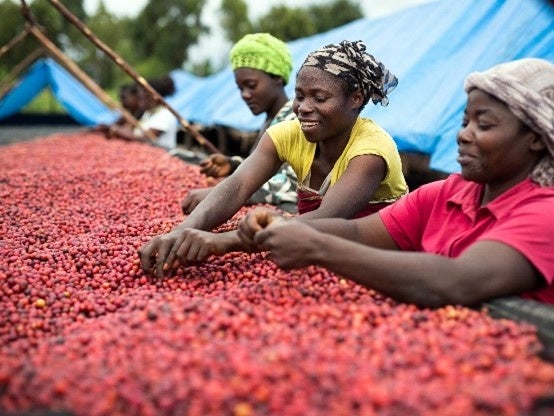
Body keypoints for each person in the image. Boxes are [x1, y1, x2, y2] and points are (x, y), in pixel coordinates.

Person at [235, 58, 554, 307]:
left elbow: (457, 281)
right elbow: (358, 231)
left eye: (483, 125)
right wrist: (281, 226)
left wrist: (318, 248)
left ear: (537, 139)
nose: (463, 135)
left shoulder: (544, 214)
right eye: (465, 121)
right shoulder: (447, 193)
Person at [138, 40, 408, 277]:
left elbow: (324, 219)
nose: (303, 108)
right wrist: (181, 231)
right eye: (300, 96)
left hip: (380, 263)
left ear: (356, 98)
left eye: (320, 98)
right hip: (313, 255)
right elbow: (237, 186)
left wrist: (223, 242)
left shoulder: (371, 150)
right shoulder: (288, 134)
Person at [181, 33, 298, 213]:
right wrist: (233, 164)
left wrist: (220, 194)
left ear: (277, 78)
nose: (244, 94)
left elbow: (291, 185)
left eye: (251, 85)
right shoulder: (271, 120)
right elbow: (269, 169)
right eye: (240, 88)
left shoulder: (295, 120)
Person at [107, 76, 178, 150]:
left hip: (162, 156)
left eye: (141, 99)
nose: (140, 103)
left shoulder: (164, 115)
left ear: (152, 97)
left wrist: (117, 130)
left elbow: (147, 139)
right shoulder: (148, 114)